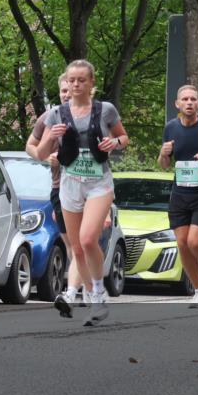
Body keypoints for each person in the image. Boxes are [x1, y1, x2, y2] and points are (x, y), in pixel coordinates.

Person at [35, 59, 129, 326]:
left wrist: (115, 142)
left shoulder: (105, 110)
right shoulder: (56, 114)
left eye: (81, 80)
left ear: (91, 83)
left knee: (89, 240)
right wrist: (50, 137)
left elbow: (124, 138)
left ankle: (98, 292)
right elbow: (41, 154)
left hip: (99, 181)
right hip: (70, 182)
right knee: (77, 247)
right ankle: (92, 294)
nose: (76, 85)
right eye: (72, 80)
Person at [158, 84, 198, 308]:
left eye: (193, 99)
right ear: (177, 103)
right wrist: (163, 154)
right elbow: (164, 165)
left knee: (195, 241)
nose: (189, 103)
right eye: (185, 99)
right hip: (180, 193)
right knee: (182, 244)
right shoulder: (171, 127)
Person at [27, 74, 78, 311]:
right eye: (63, 91)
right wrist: (47, 157)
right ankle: (78, 289)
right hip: (60, 188)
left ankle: (82, 289)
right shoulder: (49, 117)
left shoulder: (95, 116)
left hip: (89, 188)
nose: (67, 95)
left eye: (71, 90)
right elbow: (30, 146)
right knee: (72, 243)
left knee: (85, 242)